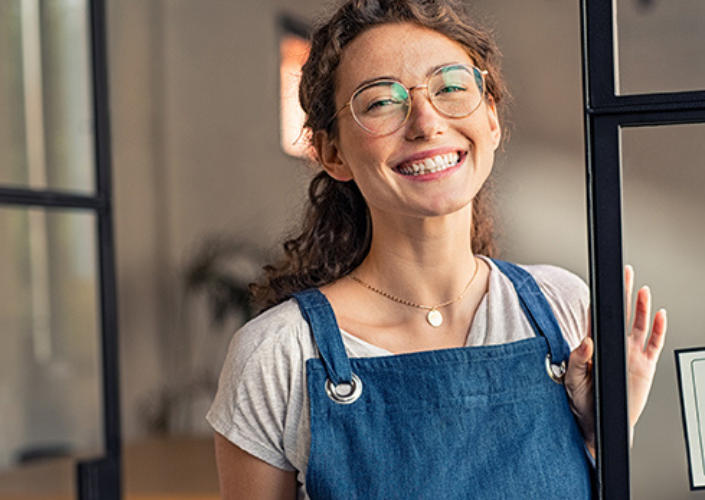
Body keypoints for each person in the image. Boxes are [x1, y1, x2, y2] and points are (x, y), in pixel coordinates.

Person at [207, 0, 667, 498]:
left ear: (490, 118)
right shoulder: (279, 355)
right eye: (382, 101)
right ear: (332, 152)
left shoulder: (561, 309)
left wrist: (604, 442)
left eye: (450, 87)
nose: (426, 122)